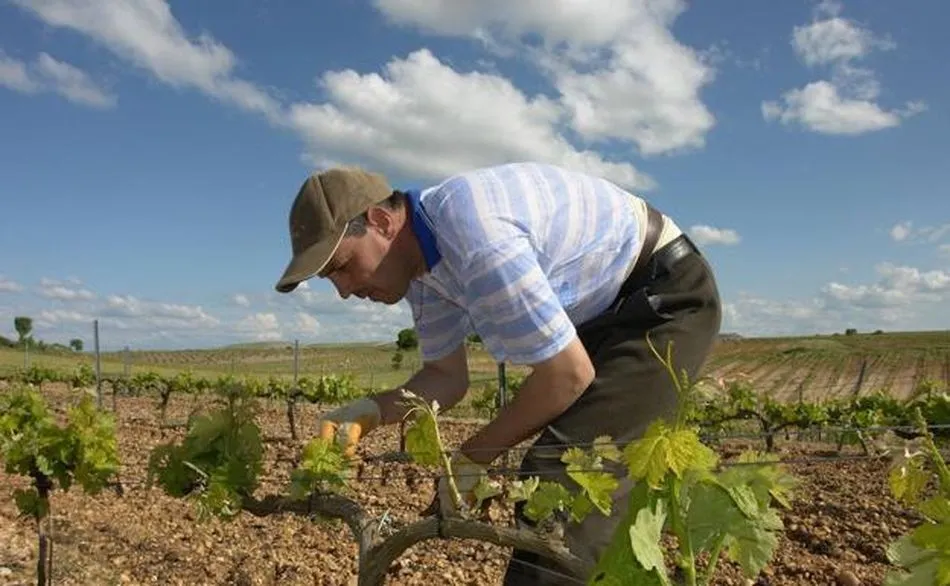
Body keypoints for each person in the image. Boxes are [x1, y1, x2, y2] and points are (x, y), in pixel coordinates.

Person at [274, 161, 722, 585]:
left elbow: (566, 376)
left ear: (381, 222)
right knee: (578, 481)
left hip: (662, 302)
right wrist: (368, 412)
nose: (345, 290)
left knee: (562, 481)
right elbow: (446, 378)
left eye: (343, 267)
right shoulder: (423, 275)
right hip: (605, 312)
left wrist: (472, 457)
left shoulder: (474, 235)